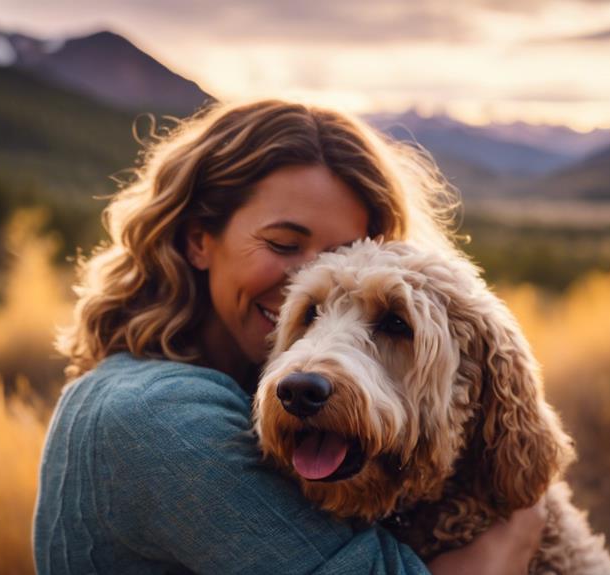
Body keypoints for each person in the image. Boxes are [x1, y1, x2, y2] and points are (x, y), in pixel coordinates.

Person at [33, 99, 546, 574]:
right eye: (283, 243)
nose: (311, 279)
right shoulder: (156, 417)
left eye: (346, 253)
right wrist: (518, 531)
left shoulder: (235, 385)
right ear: (198, 240)